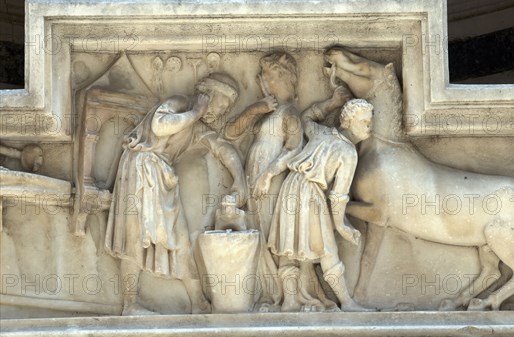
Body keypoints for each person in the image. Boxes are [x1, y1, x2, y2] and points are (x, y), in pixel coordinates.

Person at [105, 73, 247, 315]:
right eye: (222, 104)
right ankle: (130, 304)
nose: (222, 112)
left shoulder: (198, 128)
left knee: (180, 239)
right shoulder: (180, 103)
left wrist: (240, 180)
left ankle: (198, 303)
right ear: (207, 95)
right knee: (134, 237)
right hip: (141, 170)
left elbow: (223, 149)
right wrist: (196, 112)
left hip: (160, 177)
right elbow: (159, 126)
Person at [268, 89, 374, 312]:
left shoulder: (322, 133)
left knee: (289, 245)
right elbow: (337, 197)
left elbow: (306, 117)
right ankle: (347, 302)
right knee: (327, 249)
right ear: (349, 122)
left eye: (369, 122)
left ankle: (289, 302)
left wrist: (331, 102)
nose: (369, 127)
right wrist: (341, 226)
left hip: (291, 187)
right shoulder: (348, 152)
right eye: (364, 122)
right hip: (310, 194)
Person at [223, 52, 302, 309]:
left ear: (281, 79)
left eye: (267, 77)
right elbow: (230, 132)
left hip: (273, 184)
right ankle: (270, 295)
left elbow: (294, 148)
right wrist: (254, 108)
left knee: (277, 237)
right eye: (261, 78)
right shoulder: (267, 112)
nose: (262, 82)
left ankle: (289, 298)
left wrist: (268, 176)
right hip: (255, 184)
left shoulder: (290, 112)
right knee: (261, 236)